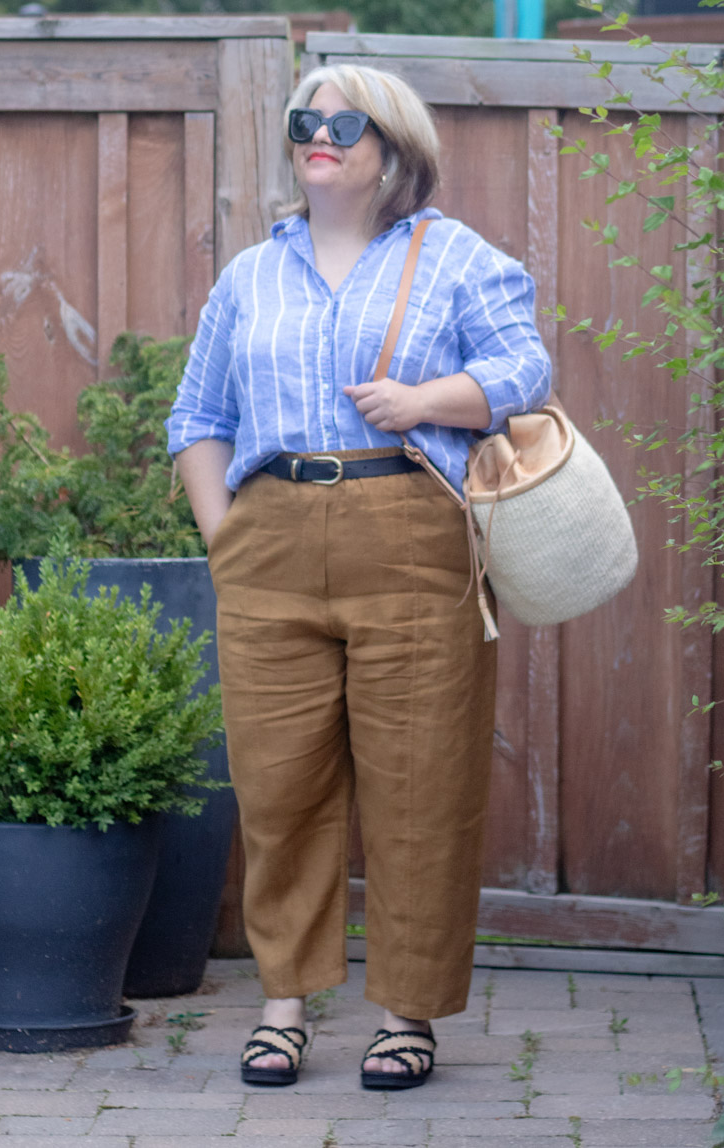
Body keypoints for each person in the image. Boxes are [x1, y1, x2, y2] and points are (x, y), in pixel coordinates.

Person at [168, 64, 551, 1091]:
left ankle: (404, 1016)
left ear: (392, 150)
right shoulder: (250, 275)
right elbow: (195, 419)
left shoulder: (453, 257)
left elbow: (523, 372)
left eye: (344, 123)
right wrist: (225, 537)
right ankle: (283, 1004)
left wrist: (421, 396)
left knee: (419, 787)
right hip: (270, 541)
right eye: (306, 121)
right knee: (278, 787)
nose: (319, 136)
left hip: (411, 530)